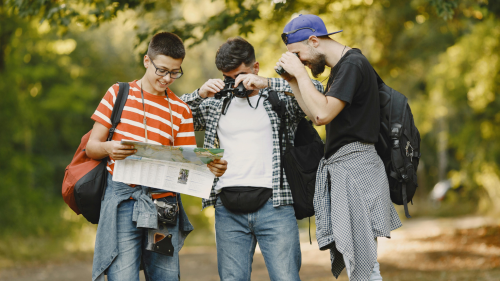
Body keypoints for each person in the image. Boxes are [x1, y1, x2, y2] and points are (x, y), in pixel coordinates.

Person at [85, 32, 227, 281]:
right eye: (161, 70)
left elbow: (187, 163)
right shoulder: (119, 93)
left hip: (164, 205)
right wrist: (109, 148)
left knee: (165, 275)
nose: (167, 78)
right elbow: (92, 147)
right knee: (122, 275)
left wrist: (209, 168)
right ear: (146, 61)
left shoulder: (181, 110)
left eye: (175, 72)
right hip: (122, 200)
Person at [180, 37, 323, 281]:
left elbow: (318, 91)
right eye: (228, 77)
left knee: (287, 278)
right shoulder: (214, 104)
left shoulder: (279, 100)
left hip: (275, 204)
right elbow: (172, 114)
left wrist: (267, 83)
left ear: (255, 68)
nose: (235, 83)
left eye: (241, 75)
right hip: (227, 208)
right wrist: (199, 94)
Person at [276, 14, 402, 281]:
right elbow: (314, 116)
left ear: (313, 41)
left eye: (299, 54)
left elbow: (322, 114)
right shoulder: (340, 70)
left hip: (357, 169)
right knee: (363, 263)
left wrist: (300, 73)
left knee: (365, 265)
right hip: (348, 169)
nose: (301, 62)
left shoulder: (353, 64)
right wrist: (293, 82)